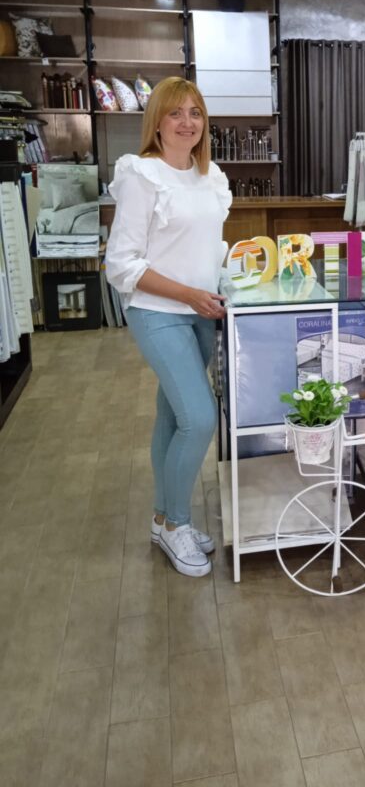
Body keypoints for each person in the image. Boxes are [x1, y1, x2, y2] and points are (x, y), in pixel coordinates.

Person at [106, 77, 231, 577]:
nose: (187, 123)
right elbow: (122, 264)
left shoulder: (210, 177)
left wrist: (227, 277)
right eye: (176, 113)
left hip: (202, 312)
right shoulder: (141, 174)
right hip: (158, 311)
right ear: (156, 120)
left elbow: (206, 249)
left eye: (195, 113)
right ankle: (177, 524)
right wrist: (188, 294)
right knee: (199, 418)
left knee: (172, 417)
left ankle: (163, 519)